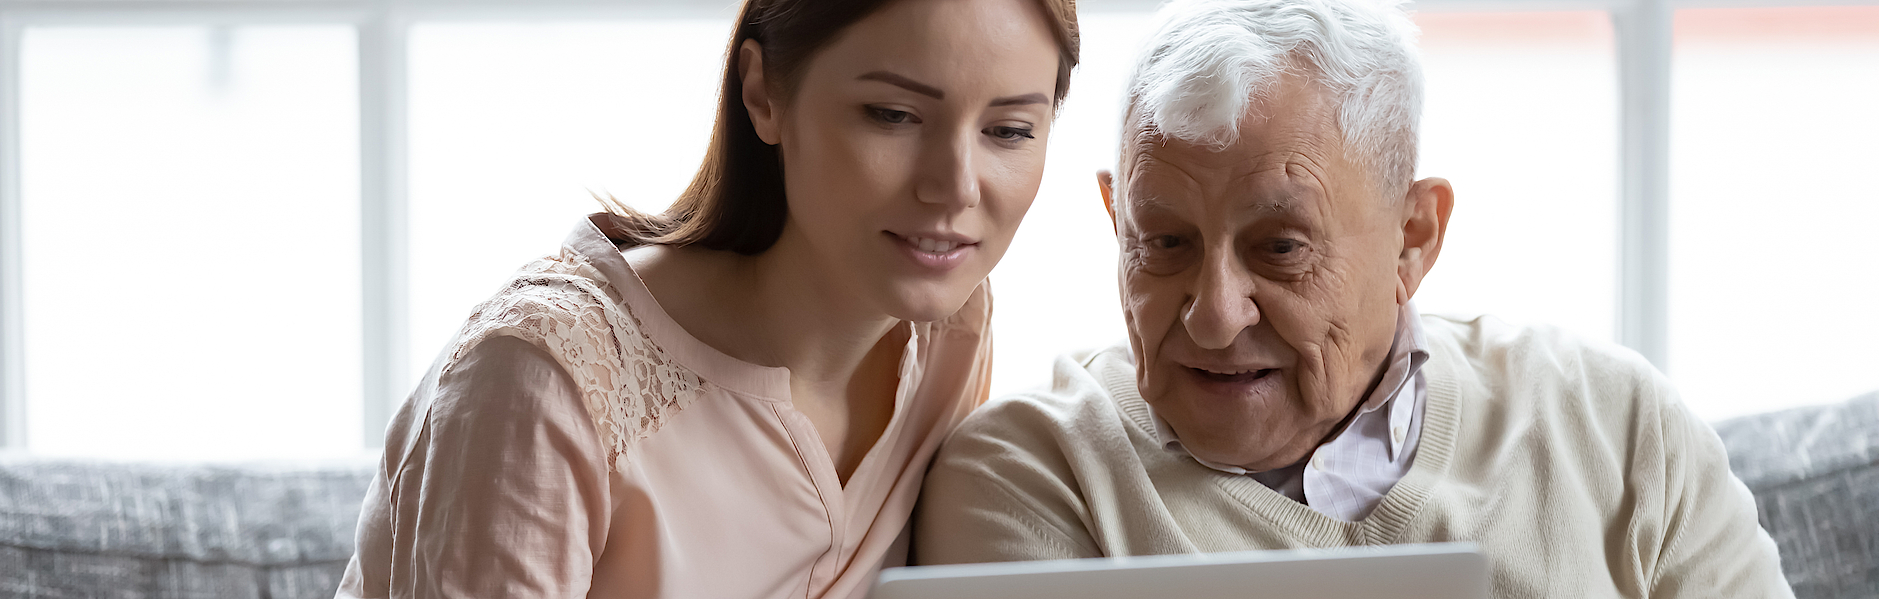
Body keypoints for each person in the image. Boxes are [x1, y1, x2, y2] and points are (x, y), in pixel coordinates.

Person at [910, 0, 1792, 596]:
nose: (1213, 314)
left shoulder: (1615, 420)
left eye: (1282, 248)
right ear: (1116, 218)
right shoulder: (1031, 475)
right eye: (1164, 242)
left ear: (1414, 236)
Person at [335, 0, 1079, 597]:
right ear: (763, 93)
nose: (955, 187)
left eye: (1009, 130)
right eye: (893, 115)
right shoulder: (537, 385)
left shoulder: (950, 327)